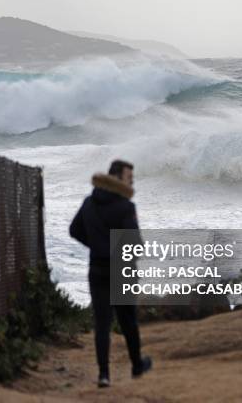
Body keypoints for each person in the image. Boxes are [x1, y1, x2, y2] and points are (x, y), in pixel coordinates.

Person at [69, 159, 152, 388]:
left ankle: (104, 375)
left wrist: (97, 245)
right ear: (116, 178)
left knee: (102, 323)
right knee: (128, 321)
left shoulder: (89, 202)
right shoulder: (125, 207)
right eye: (129, 178)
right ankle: (137, 365)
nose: (132, 182)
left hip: (97, 269)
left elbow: (74, 230)